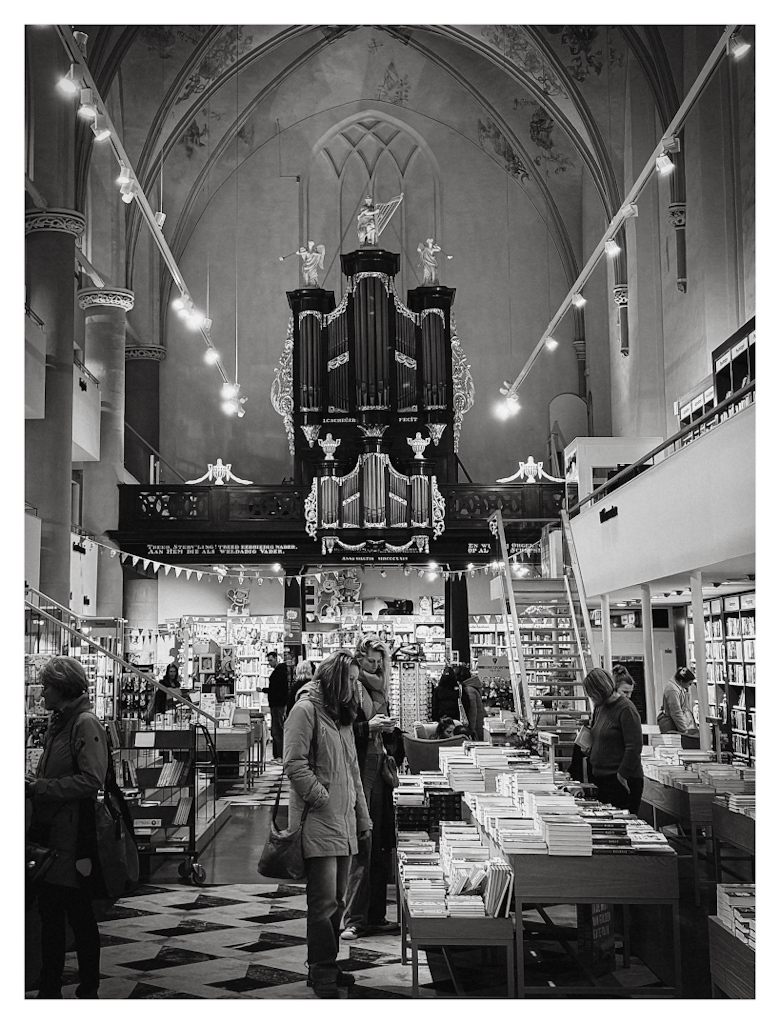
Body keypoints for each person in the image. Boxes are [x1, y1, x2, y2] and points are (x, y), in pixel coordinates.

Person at [284, 651, 371, 998]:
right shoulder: (305, 711)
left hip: (343, 820)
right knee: (322, 901)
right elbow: (293, 763)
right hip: (319, 821)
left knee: (337, 898)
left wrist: (362, 817)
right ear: (335, 680)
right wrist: (322, 797)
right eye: (350, 680)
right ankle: (320, 968)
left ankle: (328, 963)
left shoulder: (343, 717)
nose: (355, 686)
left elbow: (352, 770)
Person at [26, 656, 109, 999]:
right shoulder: (60, 723)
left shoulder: (83, 723)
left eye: (45, 686)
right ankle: (51, 986)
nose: (40, 692)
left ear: (61, 687)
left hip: (73, 837)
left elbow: (91, 779)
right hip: (52, 833)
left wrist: (40, 788)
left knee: (75, 912)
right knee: (52, 912)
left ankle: (86, 986)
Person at [341, 635, 399, 940]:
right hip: (359, 772)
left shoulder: (380, 688)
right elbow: (343, 731)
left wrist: (389, 732)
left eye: (380, 661)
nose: (376, 667)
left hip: (378, 772)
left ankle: (375, 915)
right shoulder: (352, 687)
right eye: (371, 661)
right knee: (362, 845)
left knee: (379, 846)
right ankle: (355, 918)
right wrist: (370, 728)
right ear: (359, 658)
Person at [581, 667, 644, 814]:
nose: (591, 698)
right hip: (601, 779)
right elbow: (598, 735)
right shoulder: (599, 708)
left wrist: (622, 776)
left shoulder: (626, 709)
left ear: (599, 690)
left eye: (592, 694)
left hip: (621, 780)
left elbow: (634, 747)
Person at [262, 650, 294, 761]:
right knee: (278, 729)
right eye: (268, 661)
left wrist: (263, 690)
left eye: (271, 660)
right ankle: (279, 754)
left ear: (276, 659)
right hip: (278, 704)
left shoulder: (279, 672)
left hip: (278, 705)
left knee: (277, 730)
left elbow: (275, 690)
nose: (269, 663)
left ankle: (280, 755)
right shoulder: (282, 672)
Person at [657, 666, 700, 748]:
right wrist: (684, 731)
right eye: (689, 684)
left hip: (674, 722)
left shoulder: (679, 687)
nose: (689, 686)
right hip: (670, 722)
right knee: (673, 748)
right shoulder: (672, 690)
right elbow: (676, 712)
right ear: (681, 681)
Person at [456, 662, 486, 741]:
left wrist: (471, 730)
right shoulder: (472, 686)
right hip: (479, 722)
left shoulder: (469, 690)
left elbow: (473, 712)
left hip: (476, 725)